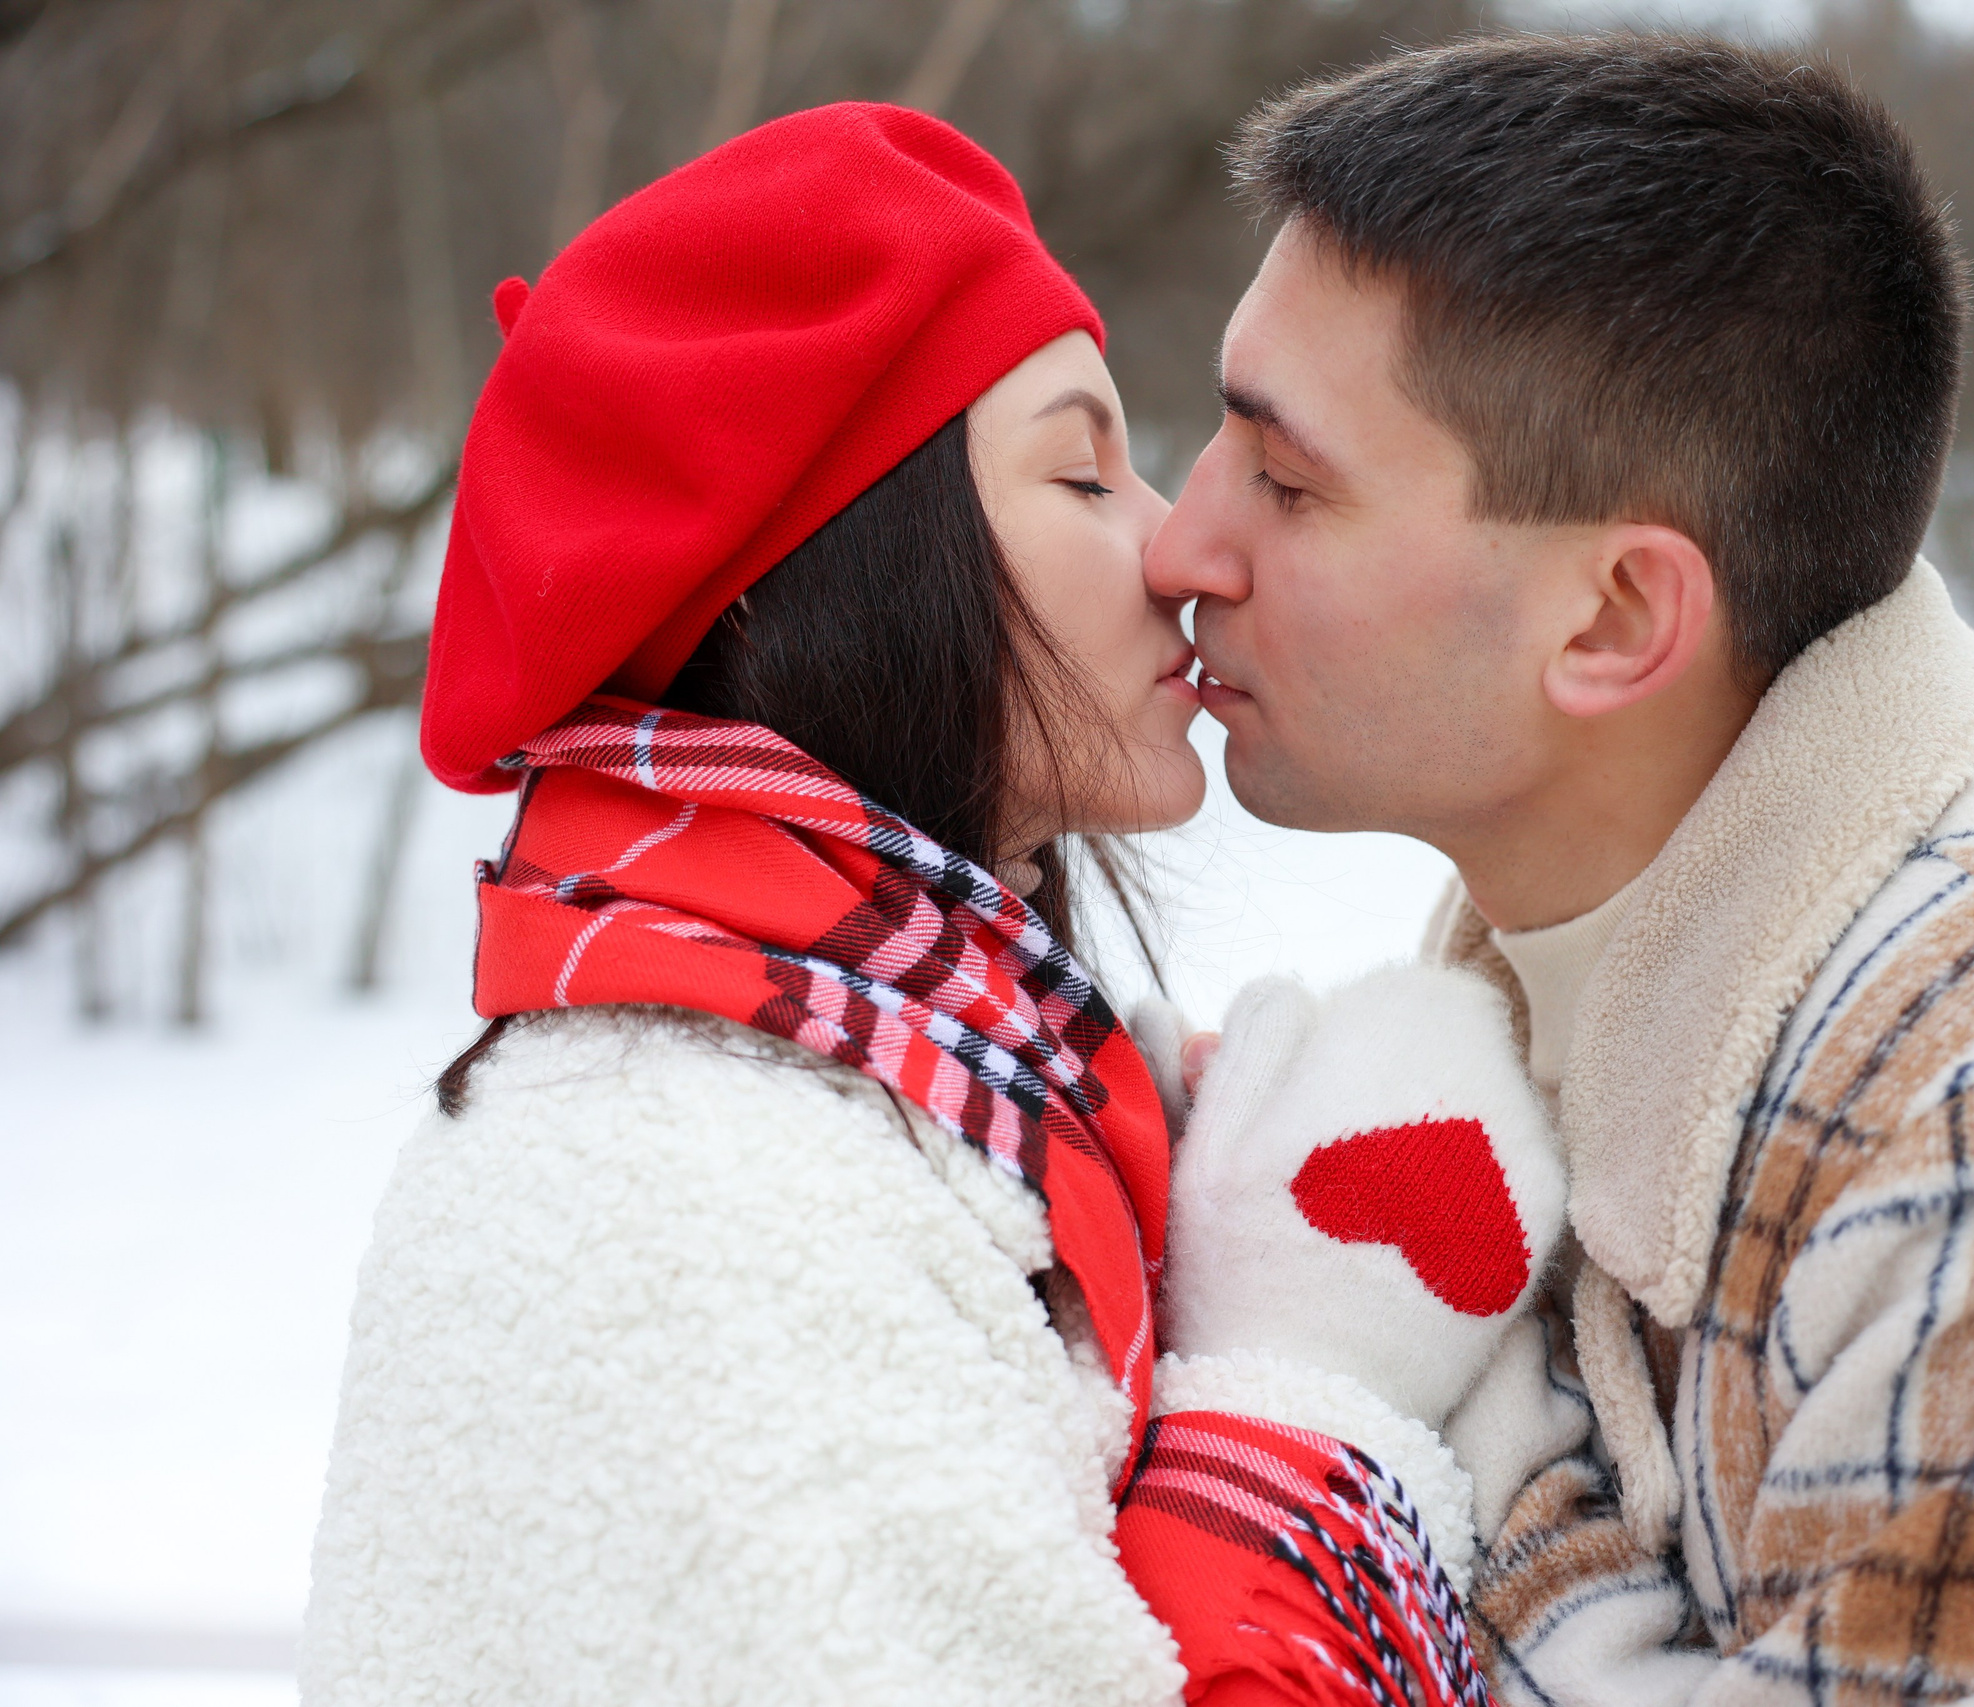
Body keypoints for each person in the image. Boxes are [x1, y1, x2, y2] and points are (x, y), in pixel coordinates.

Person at [1145, 35, 1974, 1707]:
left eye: (1286, 479)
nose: (1185, 544)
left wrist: (1437, 1412)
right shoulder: (1564, 919)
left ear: (1617, 621)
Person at [301, 103, 1567, 1707]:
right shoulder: (698, 1202)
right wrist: (1309, 1396)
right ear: (848, 569)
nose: (1175, 544)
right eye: (1079, 471)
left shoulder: (927, 1092)